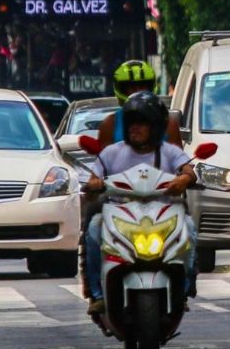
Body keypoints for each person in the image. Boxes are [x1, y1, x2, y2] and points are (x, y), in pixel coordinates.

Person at [83, 91, 198, 315]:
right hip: (119, 214)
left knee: (190, 229)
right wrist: (94, 184)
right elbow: (92, 182)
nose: (134, 128)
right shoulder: (111, 153)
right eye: (131, 123)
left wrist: (184, 179)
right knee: (94, 228)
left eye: (142, 123)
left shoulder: (169, 151)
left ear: (155, 126)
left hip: (162, 214)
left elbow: (188, 170)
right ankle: (97, 294)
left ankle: (185, 288)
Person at [96, 60, 182, 147]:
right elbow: (104, 159)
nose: (137, 92)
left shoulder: (169, 125)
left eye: (142, 86)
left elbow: (179, 159)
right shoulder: (109, 125)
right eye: (132, 87)